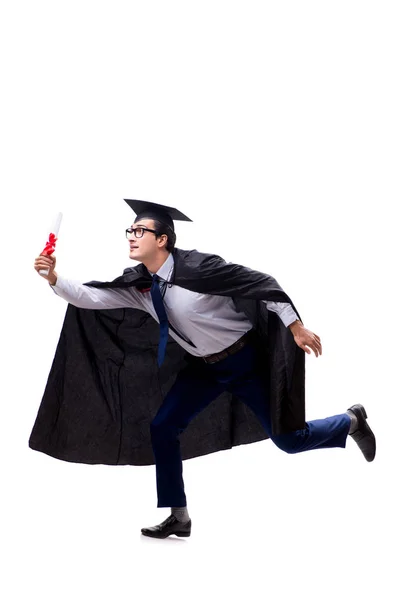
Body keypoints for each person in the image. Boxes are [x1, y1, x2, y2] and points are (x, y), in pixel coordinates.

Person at [32, 199, 376, 539]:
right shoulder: (141, 285)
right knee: (163, 426)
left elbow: (262, 285)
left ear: (162, 239)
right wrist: (54, 277)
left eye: (139, 230)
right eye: (130, 230)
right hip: (204, 367)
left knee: (290, 441)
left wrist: (295, 326)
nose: (131, 237)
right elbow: (90, 297)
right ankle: (178, 516)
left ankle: (351, 421)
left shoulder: (201, 268)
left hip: (245, 362)